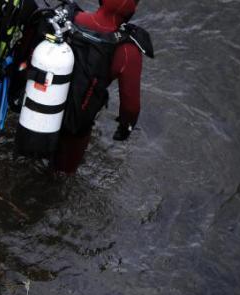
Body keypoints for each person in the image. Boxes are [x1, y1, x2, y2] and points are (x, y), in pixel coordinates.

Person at [16, 0, 153, 174]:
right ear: (133, 9)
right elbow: (130, 106)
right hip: (76, 123)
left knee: (25, 160)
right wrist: (125, 127)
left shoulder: (67, 18)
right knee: (62, 175)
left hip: (39, 105)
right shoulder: (127, 50)